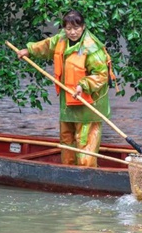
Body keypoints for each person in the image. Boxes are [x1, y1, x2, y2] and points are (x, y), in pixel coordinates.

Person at [17, 10, 114, 167]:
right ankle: (68, 171)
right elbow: (47, 46)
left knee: (85, 144)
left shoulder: (92, 48)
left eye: (76, 28)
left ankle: (87, 174)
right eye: (68, 29)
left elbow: (101, 75)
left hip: (88, 105)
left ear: (83, 27)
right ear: (64, 29)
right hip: (68, 103)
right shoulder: (61, 39)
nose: (72, 32)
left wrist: (83, 85)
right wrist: (29, 51)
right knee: (67, 141)